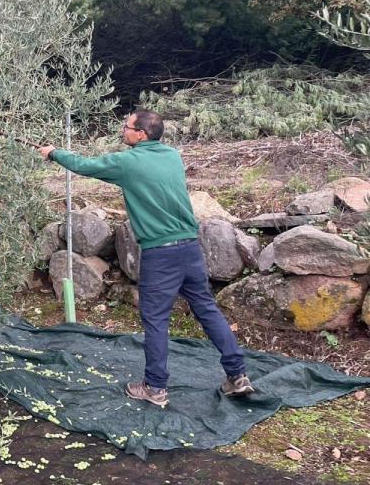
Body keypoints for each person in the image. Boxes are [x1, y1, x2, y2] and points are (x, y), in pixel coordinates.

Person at [37, 110, 255, 406]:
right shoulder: (172, 156)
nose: (122, 131)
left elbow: (84, 166)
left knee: (155, 320)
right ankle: (238, 376)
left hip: (160, 253)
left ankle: (155, 388)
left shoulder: (128, 162)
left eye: (126, 127)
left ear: (141, 134)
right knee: (207, 309)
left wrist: (54, 153)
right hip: (190, 248)